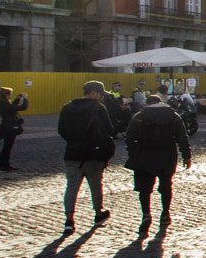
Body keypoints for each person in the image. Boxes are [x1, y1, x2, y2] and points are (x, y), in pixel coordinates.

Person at [125, 92, 191, 234]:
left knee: (144, 188)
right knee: (166, 185)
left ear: (147, 104)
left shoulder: (139, 116)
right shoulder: (173, 116)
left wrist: (134, 152)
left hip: (145, 154)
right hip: (167, 155)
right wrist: (186, 156)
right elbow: (182, 137)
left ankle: (146, 214)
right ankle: (165, 213)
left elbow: (129, 137)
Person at [57, 80, 116, 233]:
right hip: (93, 154)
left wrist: (74, 141)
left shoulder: (67, 108)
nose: (101, 97)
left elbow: (61, 130)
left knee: (71, 188)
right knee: (96, 186)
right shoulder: (98, 108)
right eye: (100, 94)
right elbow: (110, 130)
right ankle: (98, 214)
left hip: (72, 153)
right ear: (92, 93)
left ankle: (69, 220)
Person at [0, 82, 27, 171]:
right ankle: (1, 165)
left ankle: (5, 165)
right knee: (7, 147)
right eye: (10, 94)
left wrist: (17, 99)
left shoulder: (3, 103)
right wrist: (25, 99)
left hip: (7, 125)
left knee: (7, 147)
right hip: (9, 126)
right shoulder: (5, 104)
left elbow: (13, 106)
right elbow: (22, 107)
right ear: (6, 95)